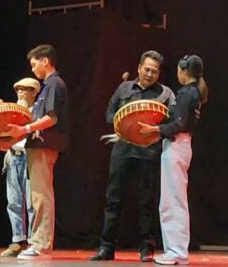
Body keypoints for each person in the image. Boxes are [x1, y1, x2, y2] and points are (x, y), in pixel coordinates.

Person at [90, 51, 175, 263]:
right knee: (113, 199)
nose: (150, 74)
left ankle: (147, 248)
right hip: (123, 149)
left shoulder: (165, 93)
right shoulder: (124, 88)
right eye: (147, 69)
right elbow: (110, 113)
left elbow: (172, 122)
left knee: (146, 201)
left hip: (149, 152)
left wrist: (155, 130)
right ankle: (106, 247)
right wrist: (124, 121)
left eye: (154, 71)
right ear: (139, 68)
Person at [138, 55, 207, 266]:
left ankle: (176, 251)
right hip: (178, 145)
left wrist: (154, 129)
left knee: (173, 201)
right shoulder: (192, 92)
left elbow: (179, 124)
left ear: (183, 71)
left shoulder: (188, 93)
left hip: (177, 145)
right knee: (173, 200)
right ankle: (175, 250)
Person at [16, 44, 69, 259]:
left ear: (45, 61)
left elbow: (52, 118)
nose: (33, 69)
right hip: (38, 145)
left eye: (34, 64)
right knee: (37, 196)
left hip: (45, 145)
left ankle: (41, 244)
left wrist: (25, 128)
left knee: (41, 196)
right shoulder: (47, 86)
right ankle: (37, 242)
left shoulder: (54, 84)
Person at [0, 77, 41, 257]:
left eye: (25, 89)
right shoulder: (11, 113)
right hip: (13, 157)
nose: (21, 92)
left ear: (34, 92)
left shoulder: (38, 113)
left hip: (30, 157)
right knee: (14, 201)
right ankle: (18, 240)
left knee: (32, 202)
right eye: (18, 90)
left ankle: (33, 241)